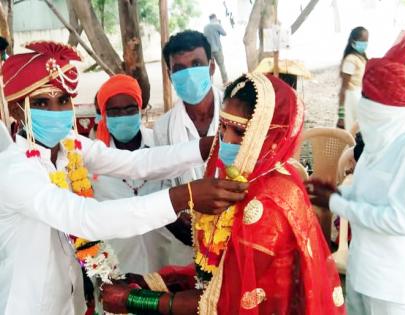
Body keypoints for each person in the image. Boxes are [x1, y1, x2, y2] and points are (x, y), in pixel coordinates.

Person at [0, 41, 248, 315]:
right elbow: (86, 217)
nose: (56, 113)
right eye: (41, 103)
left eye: (63, 101)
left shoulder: (68, 144)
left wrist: (203, 147)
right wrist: (183, 197)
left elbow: (134, 162)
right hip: (26, 304)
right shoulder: (14, 170)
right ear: (15, 109)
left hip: (69, 302)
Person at [101, 73, 345, 315]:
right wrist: (154, 281)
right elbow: (216, 272)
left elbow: (225, 300)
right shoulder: (240, 179)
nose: (225, 140)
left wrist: (137, 299)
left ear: (270, 135)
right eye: (223, 127)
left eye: (239, 132)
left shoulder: (268, 202)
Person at [308, 33, 405, 315]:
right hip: (361, 271)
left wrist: (336, 204)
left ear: (388, 107)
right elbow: (366, 195)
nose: (364, 106)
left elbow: (401, 220)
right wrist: (336, 193)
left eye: (368, 98)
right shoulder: (377, 141)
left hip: (393, 286)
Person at [93, 74, 182, 275]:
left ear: (140, 110)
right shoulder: (93, 161)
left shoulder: (162, 146)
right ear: (104, 115)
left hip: (167, 263)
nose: (123, 115)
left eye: (130, 109)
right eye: (114, 111)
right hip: (117, 269)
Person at [153, 30, 224, 265]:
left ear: (211, 67)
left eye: (196, 64)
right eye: (180, 68)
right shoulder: (163, 128)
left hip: (238, 234)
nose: (189, 74)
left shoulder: (236, 111)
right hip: (188, 243)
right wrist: (181, 226)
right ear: (169, 74)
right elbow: (163, 185)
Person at [337, 26, 368, 130]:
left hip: (359, 96)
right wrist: (341, 115)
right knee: (350, 132)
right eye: (362, 41)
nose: (365, 44)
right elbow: (343, 88)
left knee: (357, 132)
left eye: (366, 41)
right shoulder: (350, 60)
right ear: (353, 41)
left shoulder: (361, 58)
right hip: (350, 99)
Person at [204, 14, 228, 85]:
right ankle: (225, 81)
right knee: (221, 65)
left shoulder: (205, 27)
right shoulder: (217, 25)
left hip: (209, 50)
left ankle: (208, 83)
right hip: (217, 49)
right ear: (215, 18)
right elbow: (224, 33)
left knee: (210, 66)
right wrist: (220, 24)